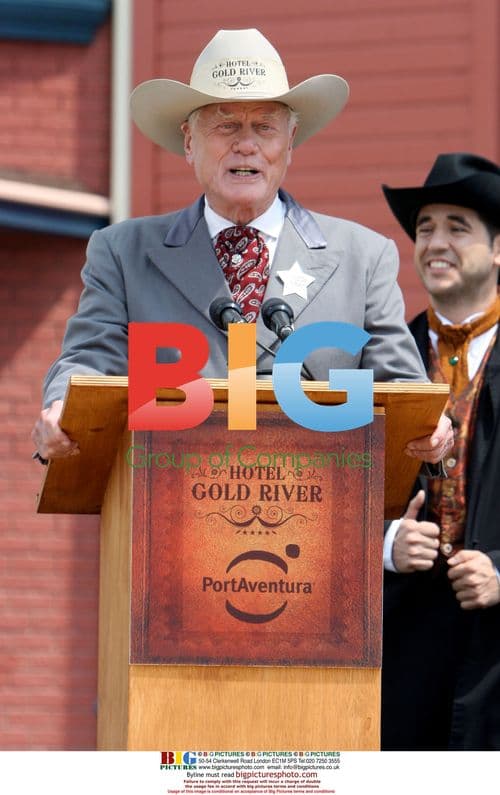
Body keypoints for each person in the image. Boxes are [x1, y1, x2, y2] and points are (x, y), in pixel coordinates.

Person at [31, 28, 451, 462]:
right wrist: (62, 408)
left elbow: (401, 385)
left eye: (264, 127)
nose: (246, 145)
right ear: (189, 142)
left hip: (317, 497)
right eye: (226, 125)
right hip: (170, 495)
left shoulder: (364, 257)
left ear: (289, 142)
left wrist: (428, 426)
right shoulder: (122, 253)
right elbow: (87, 362)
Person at [381, 152, 500, 750]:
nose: (435, 242)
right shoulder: (376, 362)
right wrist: (385, 545)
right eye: (425, 227)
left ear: (499, 249)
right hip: (406, 648)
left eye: (457, 226)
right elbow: (329, 494)